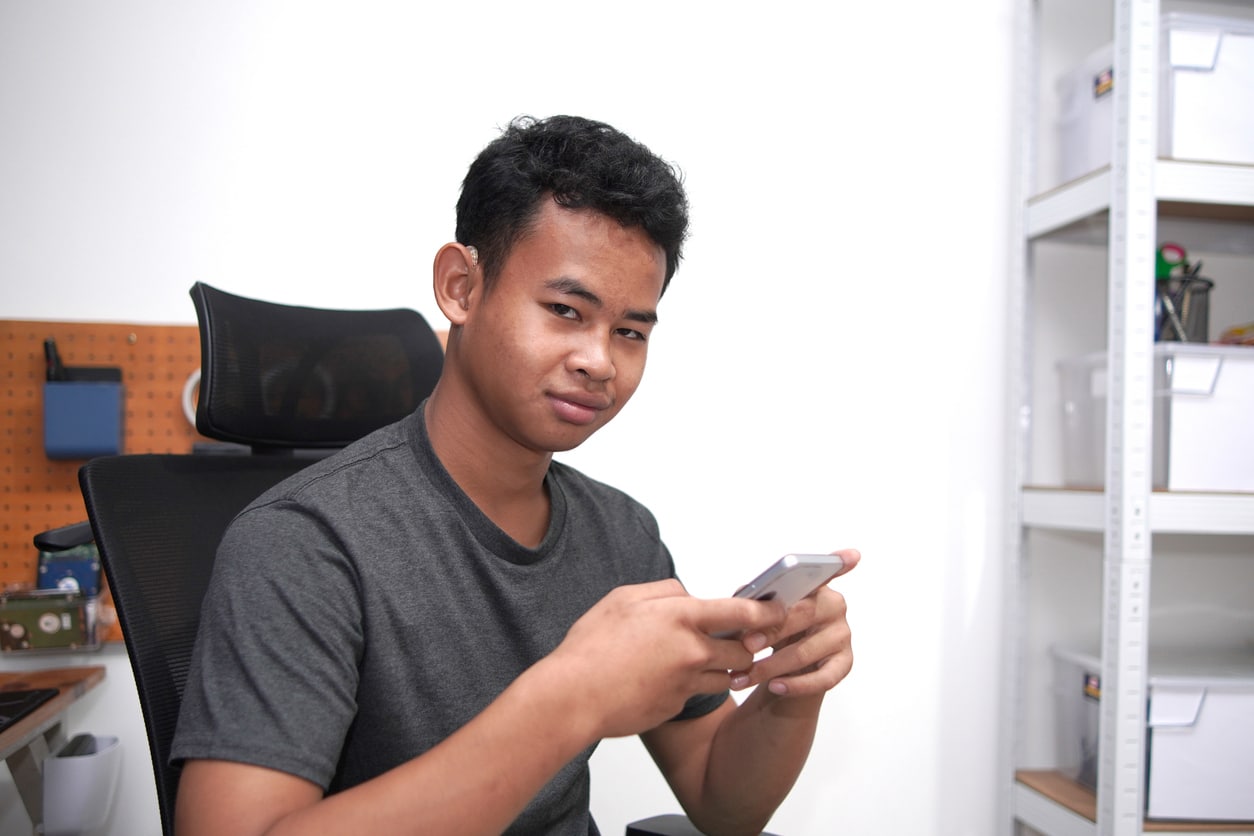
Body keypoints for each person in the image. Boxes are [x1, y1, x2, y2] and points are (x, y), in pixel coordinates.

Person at [172, 114, 858, 836]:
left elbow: (724, 803)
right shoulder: (302, 546)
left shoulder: (620, 534)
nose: (600, 360)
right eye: (566, 310)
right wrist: (571, 698)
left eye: (630, 331)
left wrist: (791, 690)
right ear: (461, 287)